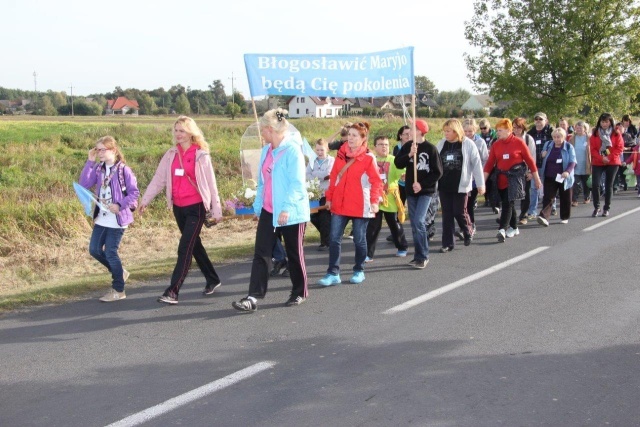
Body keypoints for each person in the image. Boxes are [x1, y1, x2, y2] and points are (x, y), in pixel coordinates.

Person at [232, 108, 310, 311]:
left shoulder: (292, 151)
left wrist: (286, 208)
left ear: (269, 129)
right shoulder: (266, 150)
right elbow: (263, 182)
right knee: (261, 253)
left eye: (262, 130)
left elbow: (297, 184)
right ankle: (252, 298)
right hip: (269, 211)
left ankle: (299, 291)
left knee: (294, 253)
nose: (261, 134)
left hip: (291, 213)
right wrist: (258, 207)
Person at [140, 116, 223, 305]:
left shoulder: (200, 155)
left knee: (184, 247)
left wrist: (216, 210)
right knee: (194, 245)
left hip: (196, 207)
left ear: (191, 133)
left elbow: (211, 184)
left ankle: (172, 291)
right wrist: (145, 200)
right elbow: (159, 179)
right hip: (178, 207)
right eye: (176, 130)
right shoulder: (170, 154)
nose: (178, 134)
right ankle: (213, 278)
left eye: (182, 131)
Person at [317, 122, 382, 286]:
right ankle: (333, 273)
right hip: (340, 203)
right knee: (334, 238)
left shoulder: (368, 158)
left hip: (360, 205)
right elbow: (333, 177)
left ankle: (359, 270)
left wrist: (374, 201)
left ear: (363, 139)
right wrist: (329, 198)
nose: (351, 138)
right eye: (349, 134)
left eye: (355, 135)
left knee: (359, 240)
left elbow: (376, 182)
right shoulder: (340, 153)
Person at [79, 136, 139, 302]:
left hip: (117, 219)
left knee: (110, 252)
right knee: (95, 250)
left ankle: (118, 290)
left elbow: (134, 193)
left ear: (113, 150)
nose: (99, 153)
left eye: (102, 150)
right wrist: (90, 161)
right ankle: (120, 272)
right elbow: (84, 185)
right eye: (97, 150)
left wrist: (120, 205)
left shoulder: (123, 170)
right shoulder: (98, 169)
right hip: (102, 218)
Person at [394, 119, 443, 268]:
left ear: (421, 131)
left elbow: (438, 172)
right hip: (411, 191)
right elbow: (398, 163)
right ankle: (417, 255)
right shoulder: (409, 146)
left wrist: (421, 184)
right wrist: (409, 154)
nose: (409, 131)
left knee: (419, 221)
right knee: (414, 224)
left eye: (413, 128)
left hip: (425, 192)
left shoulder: (431, 149)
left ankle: (423, 255)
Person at [484, 119, 542, 242]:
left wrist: (536, 178)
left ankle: (502, 229)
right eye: (497, 130)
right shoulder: (496, 144)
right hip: (501, 178)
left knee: (507, 203)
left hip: (515, 178)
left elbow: (530, 161)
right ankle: (514, 227)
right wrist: (482, 181)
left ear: (509, 130)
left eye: (500, 130)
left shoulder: (519, 143)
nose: (497, 133)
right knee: (508, 203)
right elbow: (489, 164)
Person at [435, 119, 485, 252]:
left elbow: (476, 165)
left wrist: (480, 184)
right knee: (447, 214)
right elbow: (435, 164)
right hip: (444, 185)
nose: (445, 133)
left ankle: (467, 230)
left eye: (448, 131)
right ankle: (448, 243)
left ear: (456, 131)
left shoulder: (468, 144)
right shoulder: (441, 144)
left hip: (461, 185)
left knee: (459, 211)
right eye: (444, 131)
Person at [365, 135, 408, 261]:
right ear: (375, 147)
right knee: (373, 227)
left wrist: (403, 176)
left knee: (394, 224)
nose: (384, 147)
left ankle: (402, 246)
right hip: (375, 199)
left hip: (390, 197)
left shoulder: (394, 160)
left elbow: (402, 172)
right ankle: (368, 253)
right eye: (381, 144)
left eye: (386, 144)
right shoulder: (370, 160)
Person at [536, 128, 577, 226]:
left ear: (563, 137)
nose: (556, 139)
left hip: (564, 176)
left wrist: (567, 171)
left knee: (565, 197)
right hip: (550, 175)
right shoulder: (548, 145)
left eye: (558, 137)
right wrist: (542, 154)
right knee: (548, 197)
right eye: (554, 137)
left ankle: (564, 216)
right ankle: (544, 217)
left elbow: (573, 161)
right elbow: (542, 155)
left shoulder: (568, 147)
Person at [589, 112, 624, 217]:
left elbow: (619, 147)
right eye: (602, 122)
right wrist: (601, 158)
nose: (604, 124)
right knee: (595, 184)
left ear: (610, 122)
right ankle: (596, 207)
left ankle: (606, 208)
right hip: (598, 161)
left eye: (606, 122)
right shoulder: (595, 133)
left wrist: (609, 157)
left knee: (609, 185)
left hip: (612, 162)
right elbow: (593, 149)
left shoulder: (616, 133)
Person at [461, 118, 488, 234]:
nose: (468, 134)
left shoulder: (480, 142)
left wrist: (481, 175)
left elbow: (485, 159)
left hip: (475, 178)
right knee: (463, 204)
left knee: (470, 203)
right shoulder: (460, 141)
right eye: (465, 131)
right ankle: (466, 225)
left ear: (475, 130)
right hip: (463, 177)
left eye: (470, 131)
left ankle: (471, 225)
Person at [306, 138, 334, 250]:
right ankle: (330, 234)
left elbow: (328, 174)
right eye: (317, 150)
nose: (319, 152)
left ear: (327, 149)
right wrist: (318, 176)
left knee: (324, 217)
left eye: (322, 150)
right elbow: (307, 174)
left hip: (326, 193)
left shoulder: (331, 160)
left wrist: (315, 175)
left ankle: (325, 243)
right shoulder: (312, 161)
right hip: (314, 193)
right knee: (312, 216)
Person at [526, 112, 554, 219]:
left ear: (546, 120)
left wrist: (547, 150)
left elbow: (557, 143)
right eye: (536, 119)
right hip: (534, 165)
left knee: (549, 187)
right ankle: (532, 211)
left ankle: (552, 207)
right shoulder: (530, 133)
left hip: (548, 164)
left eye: (540, 119)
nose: (538, 121)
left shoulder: (551, 132)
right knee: (534, 188)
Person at [512, 117, 536, 224]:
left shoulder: (528, 139)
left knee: (525, 193)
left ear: (523, 128)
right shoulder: (509, 138)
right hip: (511, 171)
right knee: (510, 194)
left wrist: (531, 172)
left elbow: (532, 156)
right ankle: (509, 216)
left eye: (518, 128)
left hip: (525, 170)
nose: (516, 130)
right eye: (514, 128)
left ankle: (523, 215)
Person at [478, 118, 499, 213]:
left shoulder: (495, 135)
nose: (483, 130)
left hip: (495, 161)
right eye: (481, 128)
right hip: (484, 161)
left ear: (489, 126)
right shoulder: (479, 137)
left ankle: (495, 200)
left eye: (484, 128)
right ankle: (487, 199)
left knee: (494, 181)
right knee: (485, 181)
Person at [569, 121, 591, 205]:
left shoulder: (589, 138)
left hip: (586, 164)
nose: (578, 129)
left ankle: (587, 197)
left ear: (585, 129)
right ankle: (574, 200)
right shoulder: (572, 138)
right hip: (575, 165)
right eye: (577, 128)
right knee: (575, 183)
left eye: (580, 128)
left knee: (586, 183)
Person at [393, 125, 412, 206]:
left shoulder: (414, 146)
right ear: (400, 136)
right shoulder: (397, 148)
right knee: (400, 204)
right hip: (400, 181)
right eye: (406, 134)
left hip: (411, 179)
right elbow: (396, 163)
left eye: (410, 134)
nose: (408, 136)